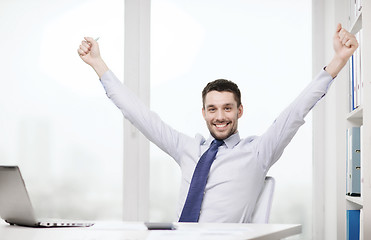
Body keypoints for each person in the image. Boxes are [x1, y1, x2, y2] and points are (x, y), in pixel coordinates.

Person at [77, 23, 358, 223]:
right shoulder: (187, 148)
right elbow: (138, 114)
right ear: (203, 113)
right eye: (212, 109)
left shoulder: (258, 152)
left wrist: (338, 60)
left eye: (227, 108)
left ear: (239, 111)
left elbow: (296, 112)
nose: (220, 116)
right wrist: (98, 63)